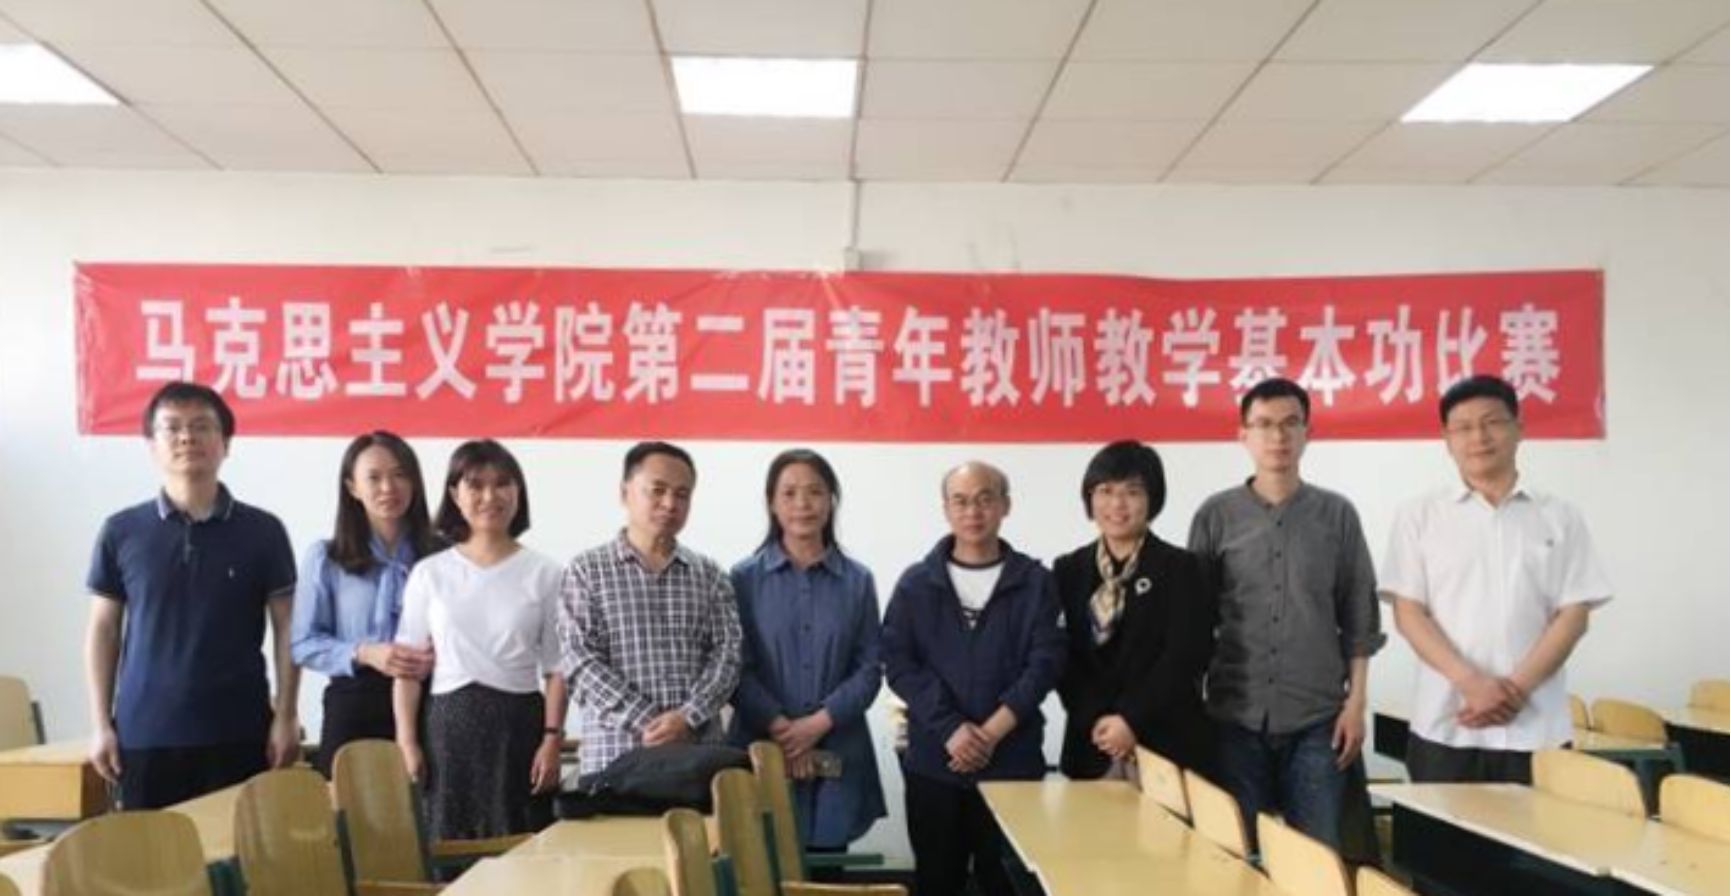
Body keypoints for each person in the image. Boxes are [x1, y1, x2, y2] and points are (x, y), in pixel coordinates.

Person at [1382, 375, 1613, 784]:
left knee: (1544, 828)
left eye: (1492, 422)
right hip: (1446, 725)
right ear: (1447, 439)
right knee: (1438, 830)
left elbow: (1574, 615)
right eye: (1463, 427)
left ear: (1519, 429)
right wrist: (1471, 683)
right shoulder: (1419, 516)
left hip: (1537, 729)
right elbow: (1409, 613)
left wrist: (1515, 690)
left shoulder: (1560, 516)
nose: (1479, 437)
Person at [84, 380, 299, 809]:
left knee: (237, 850)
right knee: (150, 852)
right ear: (152, 445)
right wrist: (100, 724)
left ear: (225, 443)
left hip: (239, 730)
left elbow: (288, 627)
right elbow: (103, 630)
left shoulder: (263, 531)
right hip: (145, 733)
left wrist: (287, 716)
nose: (187, 437)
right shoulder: (121, 531)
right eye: (172, 427)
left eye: (202, 426)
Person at [1188, 379, 1383, 850]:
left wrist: (1355, 705)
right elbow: (1194, 622)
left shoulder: (1337, 515)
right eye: (1264, 424)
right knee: (1236, 855)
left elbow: (1359, 616)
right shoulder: (1216, 516)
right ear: (1243, 435)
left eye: (1290, 423)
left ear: (1307, 432)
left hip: (1318, 720)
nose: (1278, 436)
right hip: (1234, 716)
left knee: (1317, 857)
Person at [882, 461, 1065, 896]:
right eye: (960, 501)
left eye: (985, 499)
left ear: (1006, 505)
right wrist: (950, 729)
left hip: (1013, 763)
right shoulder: (916, 584)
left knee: (1008, 882)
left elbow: (1046, 663)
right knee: (937, 880)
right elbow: (899, 663)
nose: (973, 512)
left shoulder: (1035, 582)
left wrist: (989, 734)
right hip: (935, 762)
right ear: (945, 509)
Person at [393, 440, 566, 839]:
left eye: (503, 483)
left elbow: (558, 668)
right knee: (448, 839)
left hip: (519, 726)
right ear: (455, 495)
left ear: (518, 493)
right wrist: (407, 742)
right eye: (476, 485)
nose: (490, 496)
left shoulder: (546, 573)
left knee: (521, 841)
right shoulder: (429, 573)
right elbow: (407, 670)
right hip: (447, 727)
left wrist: (552, 740)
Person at [730, 449, 887, 851]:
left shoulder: (858, 581)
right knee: (758, 867)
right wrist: (781, 727)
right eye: (789, 493)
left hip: (837, 748)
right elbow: (734, 666)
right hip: (760, 748)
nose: (802, 503)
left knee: (829, 870)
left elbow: (870, 668)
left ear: (831, 501)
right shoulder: (742, 579)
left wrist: (815, 725)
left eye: (815, 492)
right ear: (771, 502)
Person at [559, 442, 743, 778]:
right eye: (657, 490)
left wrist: (687, 717)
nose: (670, 503)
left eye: (682, 494)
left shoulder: (711, 575)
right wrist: (650, 722)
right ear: (625, 493)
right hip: (615, 758)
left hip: (698, 758)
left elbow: (728, 656)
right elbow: (579, 661)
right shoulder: (586, 571)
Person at [1055, 441, 1215, 782]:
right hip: (1092, 746)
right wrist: (1100, 721)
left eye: (1132, 491)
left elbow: (1185, 656)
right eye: (1105, 491)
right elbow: (1064, 658)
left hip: (1166, 746)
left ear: (1152, 499)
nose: (1117, 504)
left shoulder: (1182, 568)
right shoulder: (1068, 570)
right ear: (1089, 498)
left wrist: (1130, 720)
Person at [291, 432, 440, 777]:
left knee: (427, 806)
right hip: (355, 701)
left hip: (429, 700)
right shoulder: (326, 557)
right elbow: (303, 644)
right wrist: (365, 652)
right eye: (374, 477)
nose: (388, 487)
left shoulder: (443, 556)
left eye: (400, 475)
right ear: (352, 487)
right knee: (351, 806)